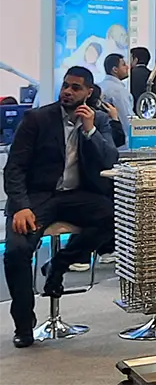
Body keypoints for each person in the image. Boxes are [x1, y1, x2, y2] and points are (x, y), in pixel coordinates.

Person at [3, 66, 118, 348]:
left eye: (76, 88)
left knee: (115, 217)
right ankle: (23, 323)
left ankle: (59, 264)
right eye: (66, 85)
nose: (67, 91)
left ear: (88, 92)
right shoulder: (37, 119)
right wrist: (21, 206)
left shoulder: (99, 120)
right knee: (17, 251)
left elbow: (110, 159)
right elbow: (14, 168)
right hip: (36, 197)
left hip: (77, 195)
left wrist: (90, 130)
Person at [99, 53, 133, 136]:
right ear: (115, 69)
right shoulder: (118, 91)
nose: (127, 67)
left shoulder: (100, 86)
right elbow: (126, 119)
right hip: (117, 137)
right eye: (123, 65)